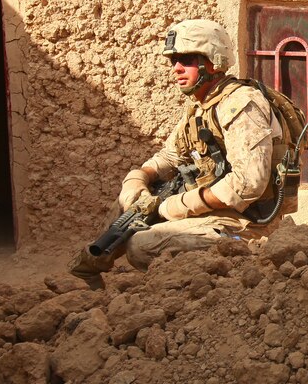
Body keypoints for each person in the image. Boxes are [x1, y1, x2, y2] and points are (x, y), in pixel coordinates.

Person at [69, 19, 282, 286]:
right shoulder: (201, 106)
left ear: (213, 61)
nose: (177, 69)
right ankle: (89, 269)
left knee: (141, 246)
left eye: (187, 59)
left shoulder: (240, 104)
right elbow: (171, 156)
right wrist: (139, 177)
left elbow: (248, 183)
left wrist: (177, 206)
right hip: (213, 211)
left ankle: (240, 264)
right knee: (132, 206)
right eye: (173, 61)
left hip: (247, 224)